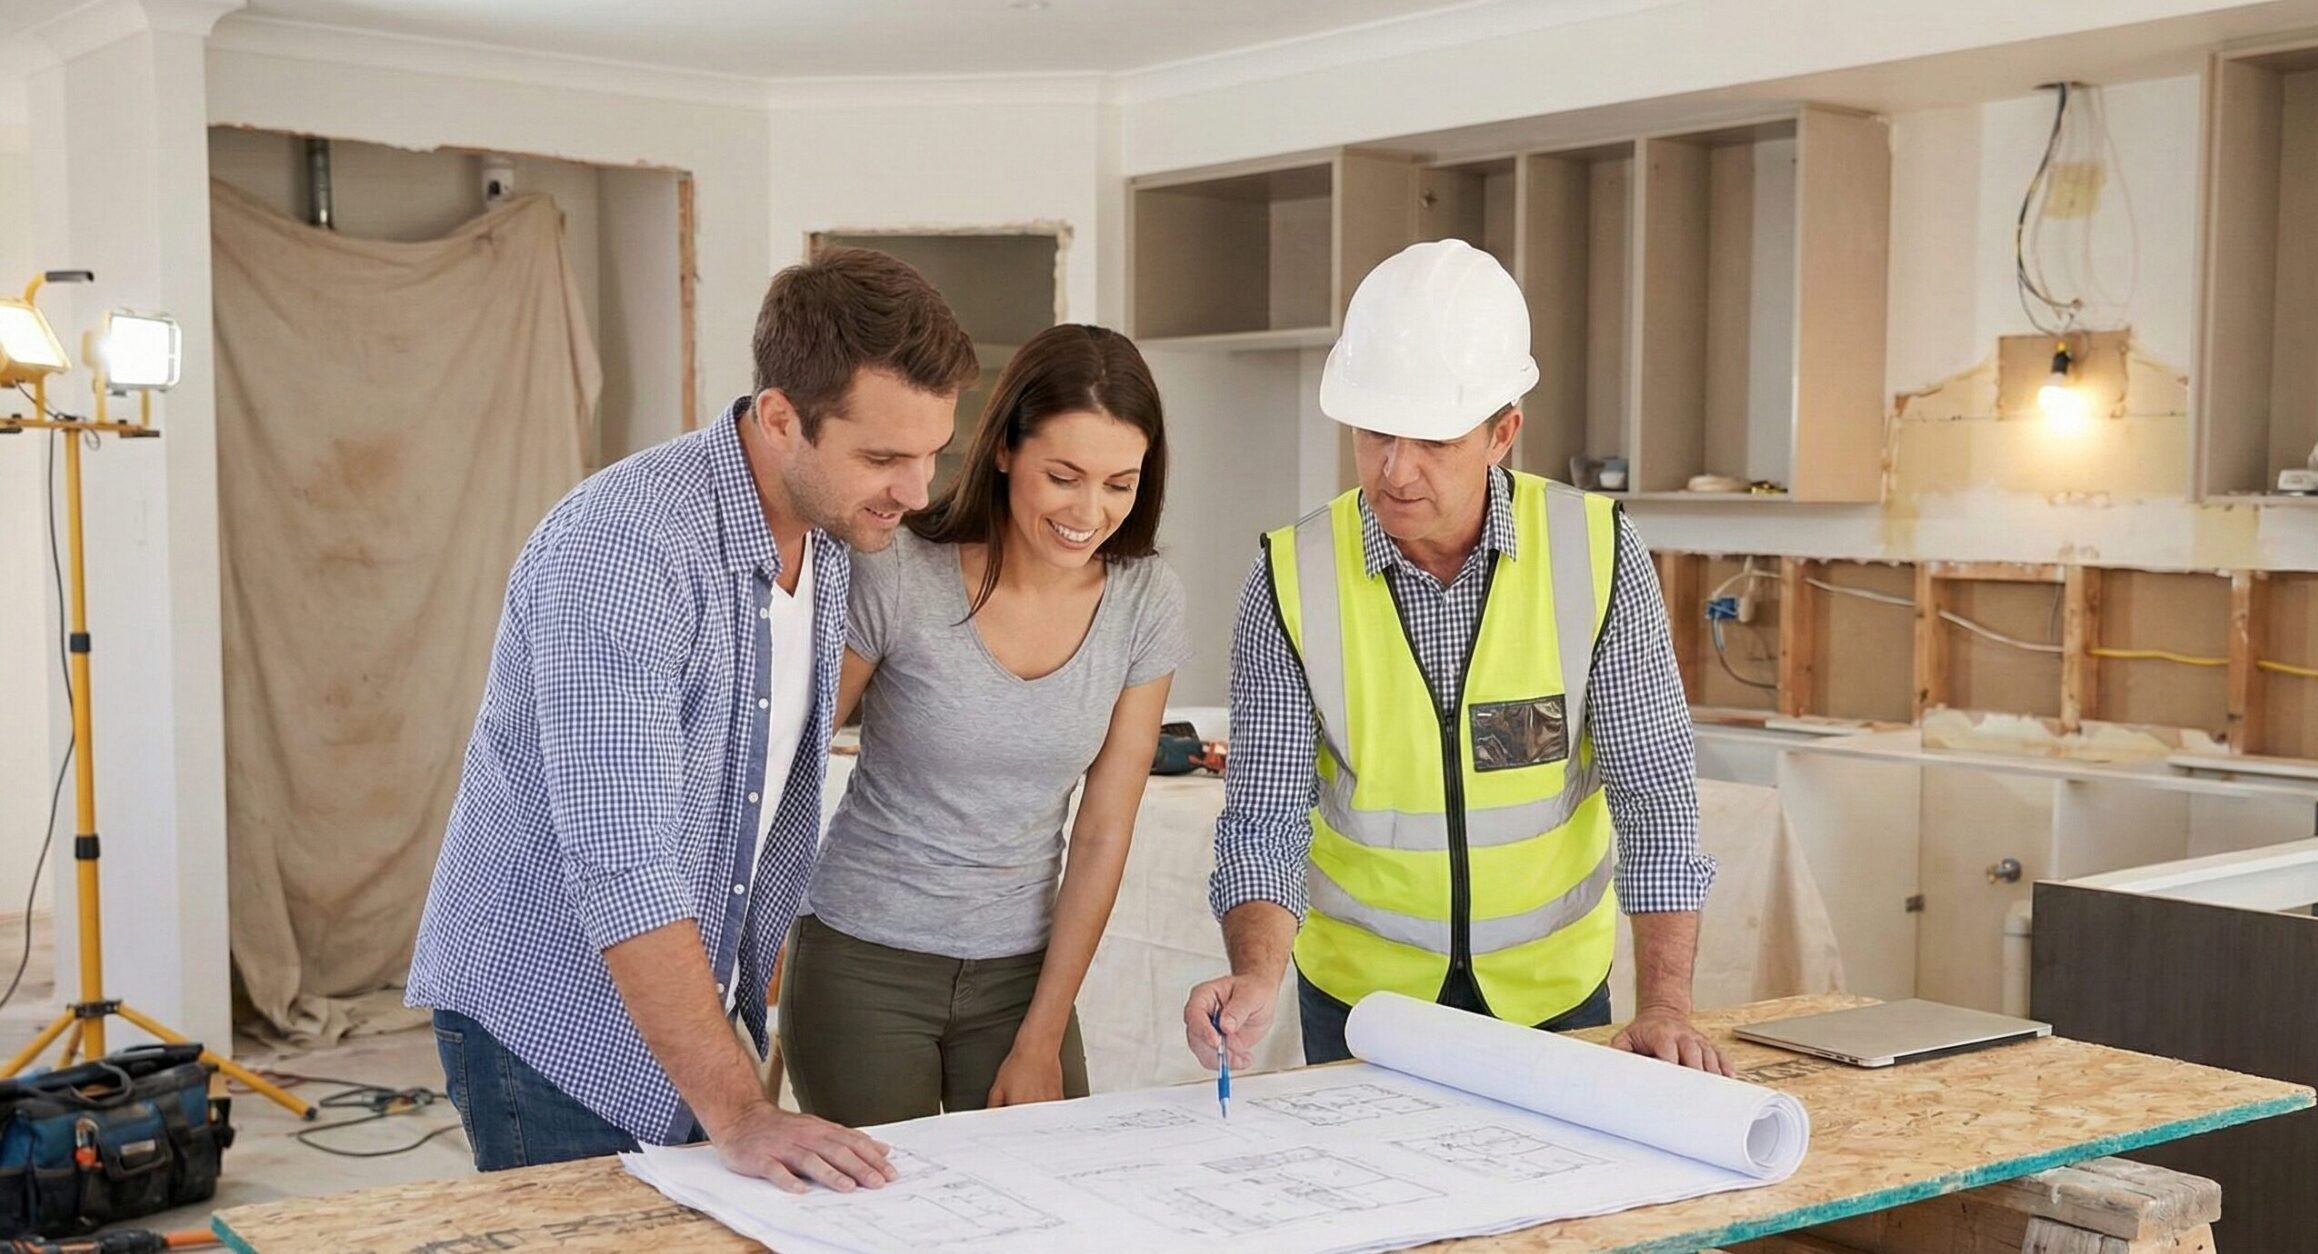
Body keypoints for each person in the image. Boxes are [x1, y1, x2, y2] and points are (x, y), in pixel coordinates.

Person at [407, 248, 979, 1190]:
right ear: (782, 417)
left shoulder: (828, 535)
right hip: (552, 1020)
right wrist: (744, 1111)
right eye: (884, 457)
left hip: (681, 1011)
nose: (915, 491)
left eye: (932, 453)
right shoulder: (625, 549)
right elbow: (623, 858)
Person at [1181, 239, 1731, 1077]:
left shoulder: (1596, 553)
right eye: (1374, 434)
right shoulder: (1291, 577)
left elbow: (1655, 795)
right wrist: (1257, 973)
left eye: (1432, 439)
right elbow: (1265, 817)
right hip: (1365, 1006)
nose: (1394, 471)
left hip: (1554, 999)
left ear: (1503, 431)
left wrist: (1665, 1007)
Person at [784, 324, 1187, 1125]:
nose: (1089, 511)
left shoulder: (1146, 601)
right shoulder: (899, 571)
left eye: (1119, 484)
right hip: (865, 965)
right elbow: (787, 762)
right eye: (1064, 476)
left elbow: (1105, 830)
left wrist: (1042, 1033)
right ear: (1003, 450)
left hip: (1021, 981)